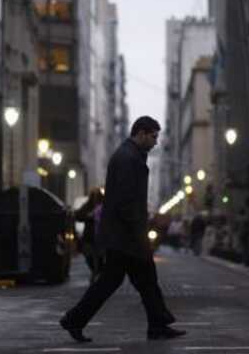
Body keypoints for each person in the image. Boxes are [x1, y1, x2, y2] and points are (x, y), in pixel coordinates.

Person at [59, 116, 185, 342]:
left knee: (140, 280)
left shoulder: (130, 155)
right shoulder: (128, 158)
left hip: (124, 235)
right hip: (126, 236)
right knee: (120, 281)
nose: (156, 142)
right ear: (141, 133)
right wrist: (140, 231)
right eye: (153, 137)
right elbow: (126, 202)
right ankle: (74, 319)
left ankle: (157, 324)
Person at [74, 187, 105, 283]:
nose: (95, 198)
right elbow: (78, 215)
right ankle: (95, 271)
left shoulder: (103, 205)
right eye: (93, 196)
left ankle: (99, 272)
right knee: (88, 256)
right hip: (89, 236)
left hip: (101, 235)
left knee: (100, 256)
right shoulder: (88, 206)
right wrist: (88, 216)